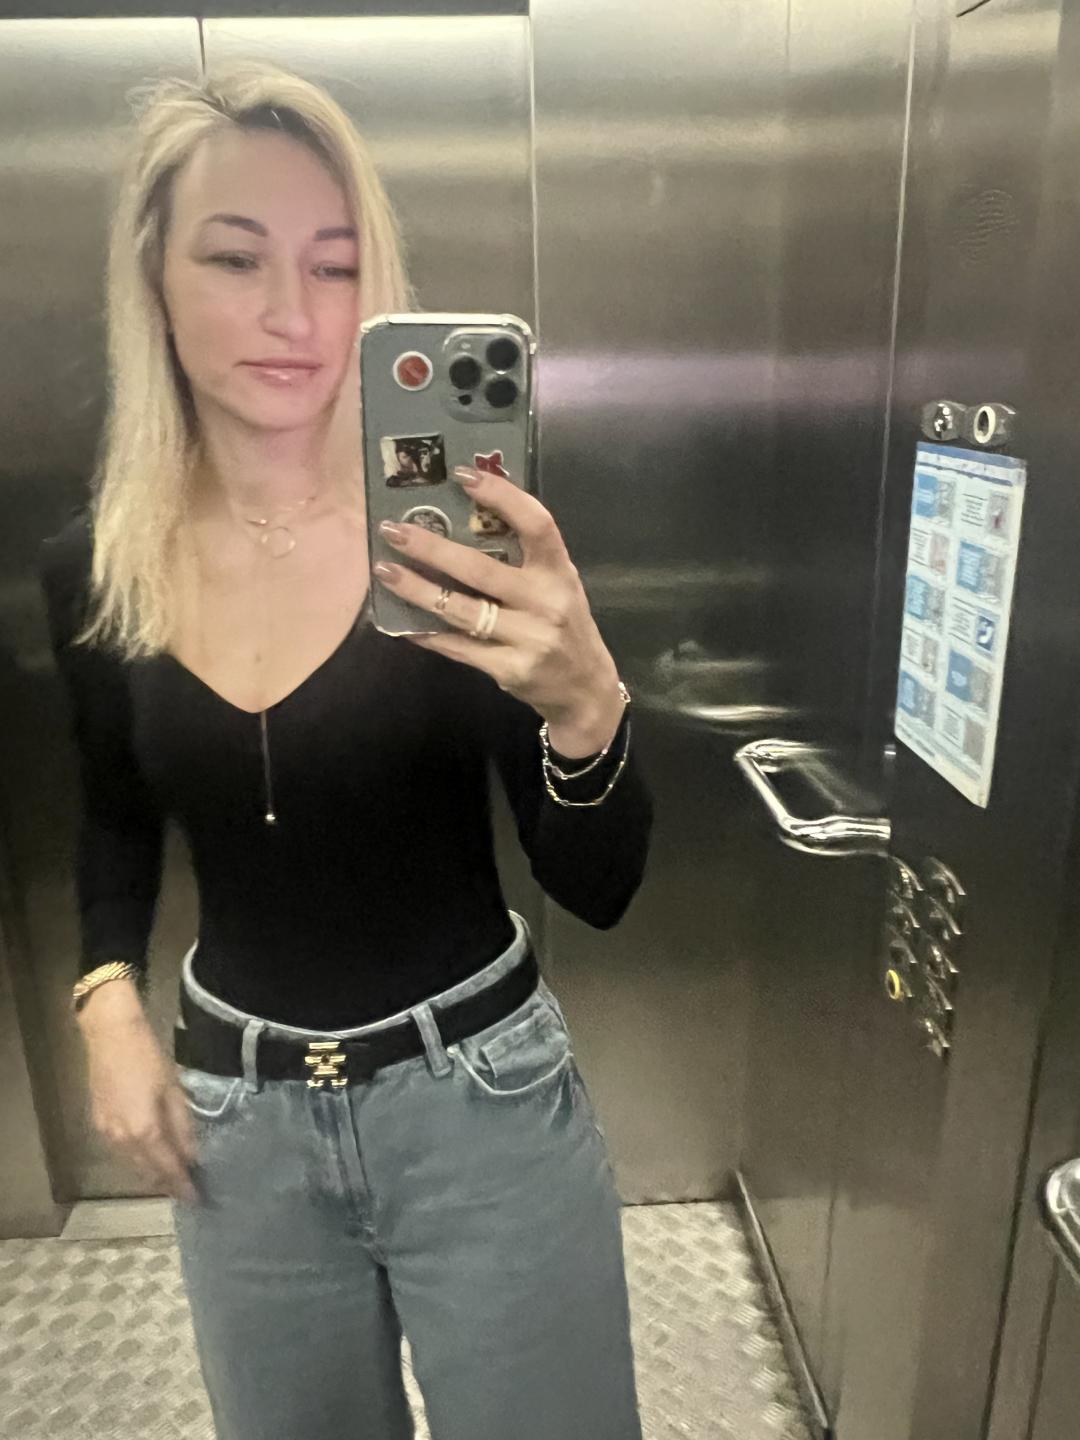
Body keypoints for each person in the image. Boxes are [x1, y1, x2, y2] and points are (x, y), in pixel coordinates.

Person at [38, 61, 652, 1440]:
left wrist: (588, 712)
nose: (292, 313)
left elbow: (599, 885)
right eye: (234, 258)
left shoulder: (453, 543)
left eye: (333, 264)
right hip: (238, 1136)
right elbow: (114, 815)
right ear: (153, 278)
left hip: (481, 1112)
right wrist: (105, 1004)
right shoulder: (98, 565)